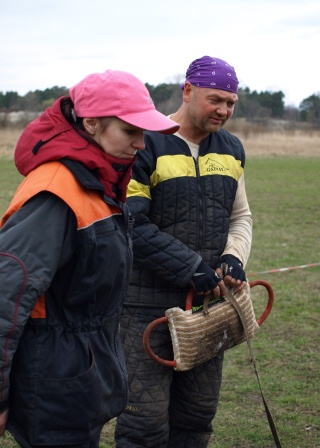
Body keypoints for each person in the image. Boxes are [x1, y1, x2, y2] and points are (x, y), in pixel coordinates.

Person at [0, 69, 179, 448]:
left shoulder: (100, 181)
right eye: (130, 131)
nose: (141, 144)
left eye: (144, 132)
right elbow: (5, 294)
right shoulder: (57, 191)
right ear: (92, 123)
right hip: (55, 385)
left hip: (80, 378)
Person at [114, 56, 253, 447]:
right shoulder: (145, 144)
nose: (224, 110)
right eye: (216, 100)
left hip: (207, 310)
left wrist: (233, 258)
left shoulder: (232, 149)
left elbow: (241, 217)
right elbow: (131, 224)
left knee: (196, 420)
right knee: (144, 426)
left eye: (231, 102)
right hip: (144, 310)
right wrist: (191, 267)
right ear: (188, 91)